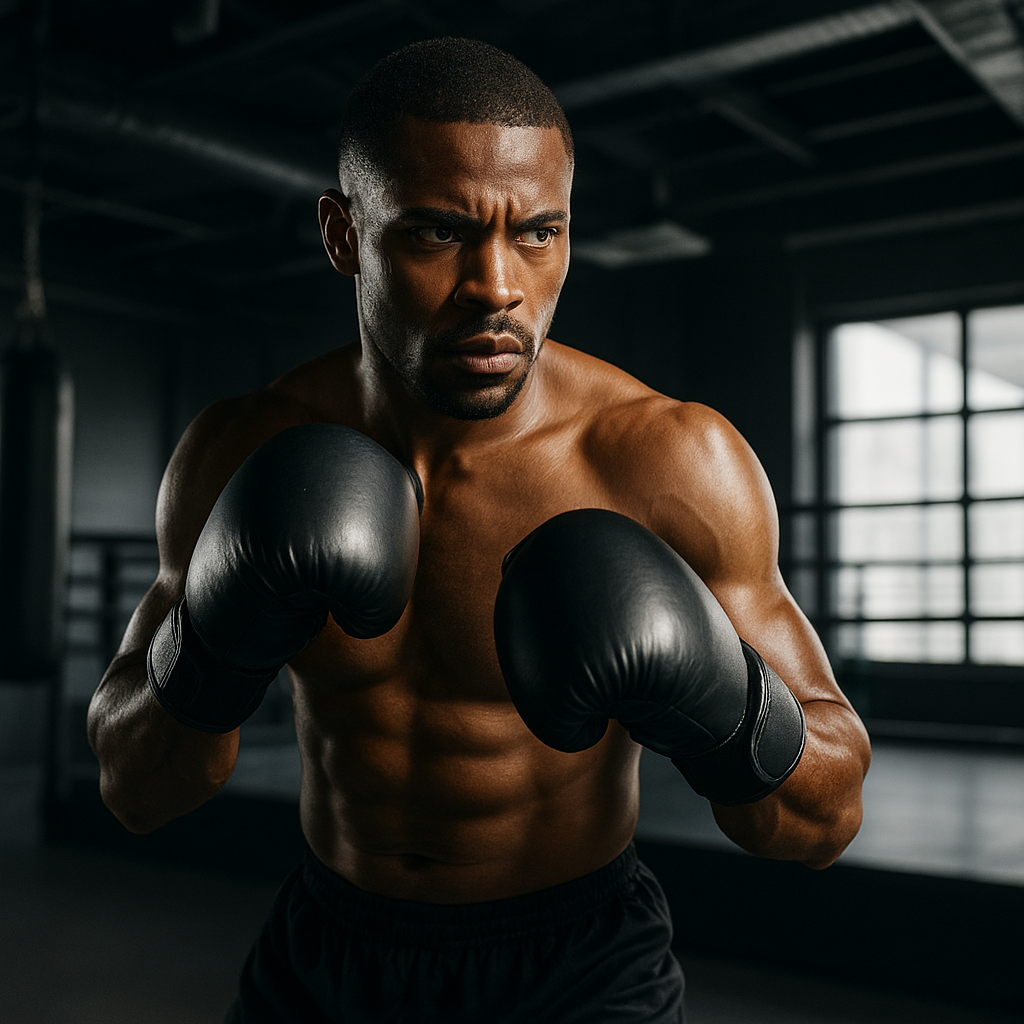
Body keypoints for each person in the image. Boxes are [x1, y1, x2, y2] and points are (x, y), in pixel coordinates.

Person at [87, 37, 870, 1024]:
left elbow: (823, 818)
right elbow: (137, 786)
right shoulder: (243, 448)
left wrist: (721, 701)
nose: (496, 286)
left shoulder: (667, 457)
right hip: (330, 955)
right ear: (342, 235)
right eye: (435, 234)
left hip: (579, 966)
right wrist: (210, 641)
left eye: (538, 234)